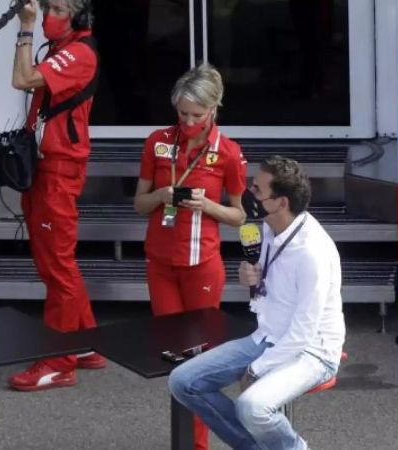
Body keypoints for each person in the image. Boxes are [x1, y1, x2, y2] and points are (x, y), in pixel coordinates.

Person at [168, 157, 345, 450]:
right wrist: (250, 275)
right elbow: (264, 281)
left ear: (281, 202)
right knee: (182, 381)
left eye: (257, 190)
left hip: (312, 351)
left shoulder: (312, 252)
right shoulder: (268, 228)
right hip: (267, 336)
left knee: (252, 406)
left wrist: (257, 369)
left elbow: (303, 333)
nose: (249, 193)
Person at [133, 63, 248, 450]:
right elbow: (138, 204)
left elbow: (240, 215)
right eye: (182, 113)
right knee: (172, 356)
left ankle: (198, 445)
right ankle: (183, 440)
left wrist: (207, 206)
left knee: (199, 361)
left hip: (202, 264)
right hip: (161, 262)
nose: (188, 122)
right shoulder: (158, 141)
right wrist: (162, 197)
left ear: (214, 109)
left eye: (197, 115)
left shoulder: (228, 153)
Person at [7, 0, 106, 392]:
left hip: (60, 171)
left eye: (60, 7)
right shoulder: (63, 49)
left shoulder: (79, 52)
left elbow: (23, 79)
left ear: (80, 16)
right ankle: (84, 344)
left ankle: (59, 362)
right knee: (54, 261)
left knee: (58, 265)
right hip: (47, 168)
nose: (50, 13)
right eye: (48, 6)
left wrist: (26, 28)